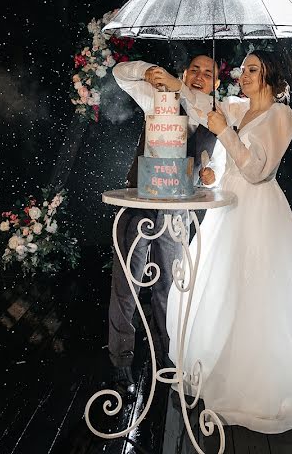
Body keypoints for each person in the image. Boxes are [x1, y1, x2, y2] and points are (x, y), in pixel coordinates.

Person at [157, 49, 292, 433]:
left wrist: (224, 132)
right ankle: (219, 369)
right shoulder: (237, 107)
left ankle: (256, 384)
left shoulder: (282, 115)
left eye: (253, 70)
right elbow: (201, 104)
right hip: (226, 210)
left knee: (255, 294)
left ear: (271, 76)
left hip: (259, 212)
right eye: (242, 69)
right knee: (219, 291)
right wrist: (177, 86)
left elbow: (258, 170)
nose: (243, 75)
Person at [105, 54, 225, 398]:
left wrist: (210, 177)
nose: (200, 77)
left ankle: (168, 356)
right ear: (184, 72)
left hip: (176, 213)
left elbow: (217, 166)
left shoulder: (211, 114)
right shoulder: (160, 96)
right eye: (195, 71)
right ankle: (121, 361)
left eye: (208, 73)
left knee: (170, 288)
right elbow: (120, 73)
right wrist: (148, 72)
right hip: (141, 204)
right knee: (126, 283)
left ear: (216, 83)